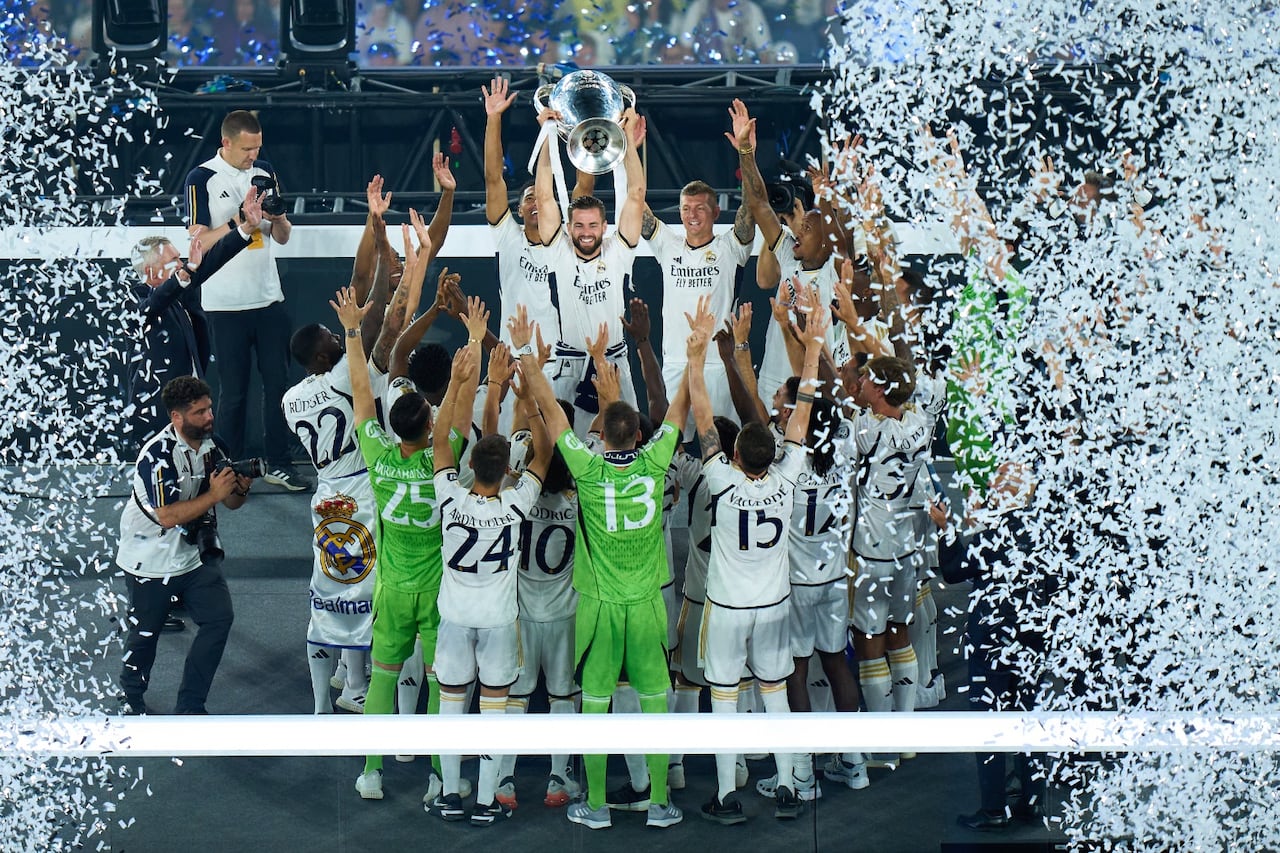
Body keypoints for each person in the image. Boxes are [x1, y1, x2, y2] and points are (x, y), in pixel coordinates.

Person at [509, 303, 692, 831]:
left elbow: (553, 414)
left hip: (598, 611)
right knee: (654, 702)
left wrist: (528, 355)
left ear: (602, 435)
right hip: (647, 606)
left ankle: (595, 804)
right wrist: (695, 357)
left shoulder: (584, 469)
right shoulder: (657, 464)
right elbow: (676, 415)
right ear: (638, 437)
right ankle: (659, 803)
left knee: (595, 704)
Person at [284, 179, 429, 716]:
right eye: (330, 334)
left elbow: (366, 289)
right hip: (364, 491)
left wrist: (376, 229)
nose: (336, 331)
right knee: (376, 592)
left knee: (329, 592)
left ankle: (335, 694)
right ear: (326, 354)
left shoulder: (290, 399)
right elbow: (379, 309)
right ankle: (369, 689)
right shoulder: (348, 374)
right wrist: (387, 242)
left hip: (325, 496)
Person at [331, 266, 472, 804]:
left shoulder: (378, 455)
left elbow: (363, 396)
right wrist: (465, 368)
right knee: (440, 685)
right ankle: (440, 773)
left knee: (384, 679)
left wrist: (351, 330)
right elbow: (457, 418)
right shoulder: (445, 459)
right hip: (437, 591)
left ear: (395, 428)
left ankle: (371, 772)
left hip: (390, 588)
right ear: (429, 428)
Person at [688, 294, 826, 824]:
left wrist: (696, 354)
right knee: (777, 698)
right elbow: (804, 410)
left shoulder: (719, 479)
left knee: (724, 702)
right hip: (773, 606)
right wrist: (813, 345)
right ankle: (791, 786)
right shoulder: (789, 475)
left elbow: (702, 411)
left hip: (726, 607)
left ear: (735, 456)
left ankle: (726, 797)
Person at [429, 329, 554, 827]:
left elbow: (441, 440)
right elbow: (543, 455)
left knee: (451, 708)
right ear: (506, 471)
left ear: (470, 468)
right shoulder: (518, 503)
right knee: (494, 710)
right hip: (501, 621)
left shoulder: (450, 496)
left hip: (455, 618)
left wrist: (469, 381)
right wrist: (530, 398)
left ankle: (450, 795)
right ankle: (485, 801)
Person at [184, 109, 307, 491]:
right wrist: (239, 221)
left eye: (257, 147)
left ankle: (280, 462)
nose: (253, 155)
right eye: (246, 149)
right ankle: (229, 469)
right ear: (226, 143)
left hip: (268, 297)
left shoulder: (265, 171)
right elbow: (198, 243)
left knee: (279, 386)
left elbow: (282, 237)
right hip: (224, 304)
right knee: (233, 392)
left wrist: (280, 217)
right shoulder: (201, 177)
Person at [116, 375, 252, 715]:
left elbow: (233, 504)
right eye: (199, 412)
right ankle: (131, 698)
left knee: (219, 619)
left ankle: (191, 704)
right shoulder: (157, 455)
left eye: (209, 409)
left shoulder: (215, 445)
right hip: (149, 560)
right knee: (145, 635)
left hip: (194, 557)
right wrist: (215, 495)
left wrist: (239, 489)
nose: (209, 417)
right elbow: (167, 516)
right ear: (176, 417)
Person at [481, 76, 594, 432]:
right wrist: (494, 118)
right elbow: (492, 179)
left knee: (561, 454)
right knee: (513, 453)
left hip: (560, 365)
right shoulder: (507, 237)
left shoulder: (565, 239)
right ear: (517, 210)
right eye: (527, 197)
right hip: (512, 363)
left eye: (539, 196)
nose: (535, 201)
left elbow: (583, 187)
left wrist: (581, 134)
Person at [534, 105, 647, 435]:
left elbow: (636, 195)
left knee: (630, 445)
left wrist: (626, 139)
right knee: (561, 455)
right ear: (569, 228)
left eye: (593, 225)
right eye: (579, 225)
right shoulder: (559, 251)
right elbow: (543, 197)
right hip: (568, 367)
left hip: (615, 364)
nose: (586, 232)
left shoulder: (619, 251)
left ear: (604, 226)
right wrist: (546, 138)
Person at [125, 187, 262, 454]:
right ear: (152, 271)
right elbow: (150, 308)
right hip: (156, 408)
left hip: (191, 403)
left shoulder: (180, 288)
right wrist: (185, 272)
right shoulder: (135, 297)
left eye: (180, 258)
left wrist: (246, 228)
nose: (182, 262)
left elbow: (215, 259)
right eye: (174, 260)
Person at [641, 178, 755, 430]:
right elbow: (636, 203)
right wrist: (625, 152)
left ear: (715, 212)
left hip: (718, 364)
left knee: (723, 443)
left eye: (700, 208)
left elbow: (750, 206)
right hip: (675, 363)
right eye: (685, 208)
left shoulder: (731, 248)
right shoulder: (668, 246)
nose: (691, 215)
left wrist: (745, 153)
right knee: (670, 449)